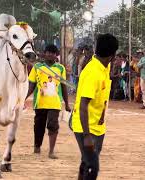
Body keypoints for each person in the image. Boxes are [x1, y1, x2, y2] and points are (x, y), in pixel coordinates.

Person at [71, 33, 118, 180]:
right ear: (112, 55)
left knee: (87, 163)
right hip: (86, 127)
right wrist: (86, 136)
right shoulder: (93, 72)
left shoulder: (104, 66)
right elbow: (84, 105)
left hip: (98, 126)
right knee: (92, 168)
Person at [26, 44, 71, 159]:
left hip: (55, 103)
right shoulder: (37, 67)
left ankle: (51, 151)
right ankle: (37, 146)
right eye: (48, 52)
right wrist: (23, 98)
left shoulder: (60, 68)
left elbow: (64, 87)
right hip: (40, 103)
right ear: (44, 53)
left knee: (53, 125)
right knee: (39, 126)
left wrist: (67, 104)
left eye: (53, 52)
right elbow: (32, 85)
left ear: (56, 55)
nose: (50, 54)